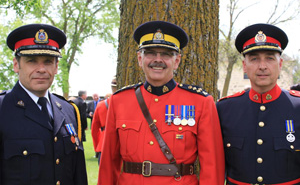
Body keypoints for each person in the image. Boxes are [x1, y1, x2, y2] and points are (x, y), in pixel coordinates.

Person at [98, 21, 225, 185]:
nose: (157, 60)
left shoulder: (200, 102)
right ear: (139, 58)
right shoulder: (119, 101)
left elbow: (212, 166)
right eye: (150, 53)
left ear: (177, 61)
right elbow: (108, 163)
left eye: (166, 54)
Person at [0, 23, 88, 184]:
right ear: (16, 65)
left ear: (56, 67)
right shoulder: (2, 108)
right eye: (32, 61)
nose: (41, 69)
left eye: (48, 61)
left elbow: (78, 175)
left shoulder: (68, 110)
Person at [217, 23, 300, 184]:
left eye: (269, 58)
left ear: (280, 64)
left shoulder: (297, 107)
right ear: (244, 66)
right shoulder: (224, 109)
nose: (262, 66)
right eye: (254, 59)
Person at [91, 76, 117, 163]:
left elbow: (94, 130)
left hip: (104, 144)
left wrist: (98, 146)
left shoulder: (101, 105)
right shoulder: (127, 103)